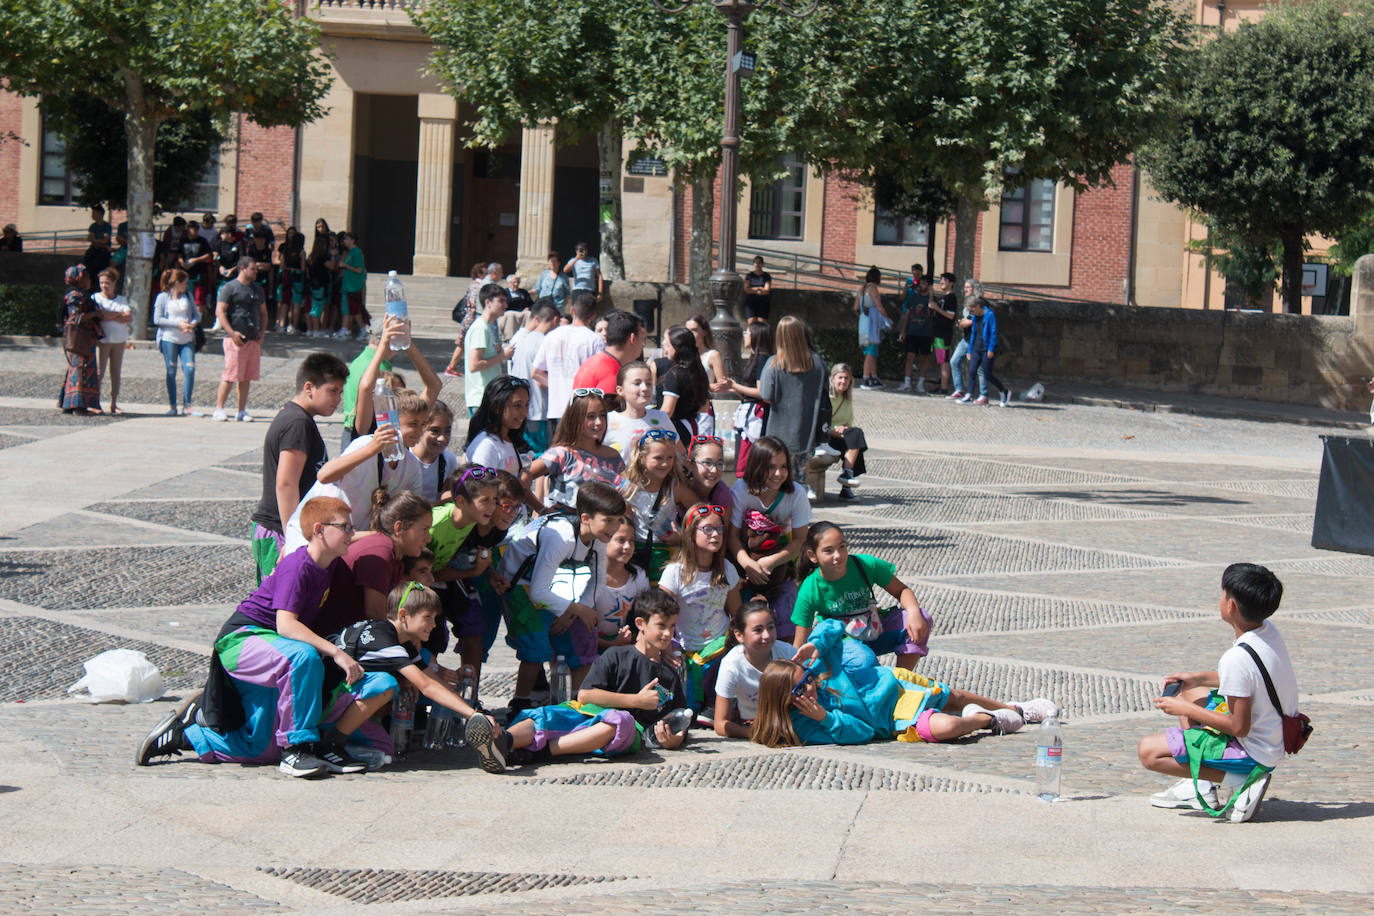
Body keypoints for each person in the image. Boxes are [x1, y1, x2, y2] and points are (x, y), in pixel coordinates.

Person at [136, 496, 371, 778]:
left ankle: (189, 733)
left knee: (261, 748)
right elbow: (286, 626)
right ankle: (297, 749)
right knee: (303, 657)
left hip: (274, 649)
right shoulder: (298, 566)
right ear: (319, 530)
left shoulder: (328, 564)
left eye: (352, 527)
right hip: (241, 639)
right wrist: (336, 652)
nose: (352, 534)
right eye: (345, 527)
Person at [1137, 563, 1298, 823]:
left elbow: (1239, 727)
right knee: (1191, 691)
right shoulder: (1267, 631)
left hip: (1255, 753)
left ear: (1231, 605)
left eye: (1222, 594)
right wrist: (1196, 678)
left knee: (1149, 751)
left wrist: (1186, 710)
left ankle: (1244, 780)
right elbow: (1249, 680)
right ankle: (1199, 786)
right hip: (1272, 736)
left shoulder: (1235, 658)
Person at [465, 587, 688, 771]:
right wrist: (636, 701)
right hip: (587, 712)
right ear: (640, 623)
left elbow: (680, 719)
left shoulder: (669, 675)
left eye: (672, 627)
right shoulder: (616, 655)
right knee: (549, 714)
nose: (668, 633)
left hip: (626, 732)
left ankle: (537, 752)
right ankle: (503, 741)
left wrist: (674, 739)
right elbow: (586, 695)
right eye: (661, 626)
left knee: (621, 721)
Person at [751, 618, 1056, 748]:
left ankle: (1018, 707)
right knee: (946, 728)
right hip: (894, 719)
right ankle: (988, 720)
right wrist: (826, 718)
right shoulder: (805, 724)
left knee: (956, 696)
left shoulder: (817, 667)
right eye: (799, 688)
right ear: (784, 699)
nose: (808, 686)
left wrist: (817, 643)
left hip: (893, 685)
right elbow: (863, 733)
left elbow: (833, 625)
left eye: (805, 678)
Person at [325, 580, 499, 764]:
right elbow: (427, 686)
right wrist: (472, 715)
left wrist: (475, 712)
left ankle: (338, 741)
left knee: (384, 749)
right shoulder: (384, 639)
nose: (434, 625)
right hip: (326, 701)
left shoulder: (401, 641)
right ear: (403, 615)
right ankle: (331, 744)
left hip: (342, 699)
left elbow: (435, 680)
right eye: (428, 617)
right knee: (385, 684)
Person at [497, 479, 628, 714]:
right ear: (586, 518)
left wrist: (575, 611)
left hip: (557, 584)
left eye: (618, 521)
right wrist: (575, 609)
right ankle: (521, 702)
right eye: (608, 520)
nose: (614, 528)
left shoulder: (598, 539)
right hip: (520, 585)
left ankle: (577, 702)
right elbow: (538, 594)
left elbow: (596, 582)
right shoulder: (562, 537)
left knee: (583, 634)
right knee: (537, 644)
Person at [282, 387, 429, 549]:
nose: (419, 431)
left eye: (423, 424)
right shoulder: (366, 444)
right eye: (413, 424)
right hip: (311, 540)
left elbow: (412, 512)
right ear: (390, 421)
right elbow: (324, 476)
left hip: (348, 542)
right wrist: (372, 449)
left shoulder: (412, 466)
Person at [250, 352, 350, 581]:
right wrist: (292, 536)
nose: (338, 399)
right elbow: (286, 483)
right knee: (279, 603)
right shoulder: (297, 423)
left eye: (340, 392)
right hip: (278, 529)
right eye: (332, 391)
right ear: (309, 387)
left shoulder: (299, 418)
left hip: (283, 527)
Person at [791, 521, 931, 669]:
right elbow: (800, 641)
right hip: (842, 642)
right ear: (813, 556)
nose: (838, 555)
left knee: (923, 619)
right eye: (828, 551)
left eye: (842, 547)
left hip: (873, 628)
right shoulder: (809, 589)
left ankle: (902, 681)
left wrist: (913, 611)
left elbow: (901, 590)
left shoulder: (864, 564)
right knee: (864, 660)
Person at [313, 489, 434, 637]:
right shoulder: (381, 554)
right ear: (399, 528)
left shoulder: (392, 552)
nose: (428, 539)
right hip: (332, 639)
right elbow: (375, 615)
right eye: (424, 530)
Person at [660, 503, 741, 712]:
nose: (715, 534)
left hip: (718, 648)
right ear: (689, 533)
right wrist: (667, 647)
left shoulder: (727, 570)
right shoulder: (674, 572)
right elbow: (660, 615)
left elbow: (737, 614)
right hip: (684, 650)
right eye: (708, 529)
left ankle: (717, 706)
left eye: (720, 529)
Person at [727, 435, 810, 639]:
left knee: (786, 625)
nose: (778, 473)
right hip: (744, 569)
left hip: (781, 568)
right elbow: (732, 536)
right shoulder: (742, 490)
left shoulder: (796, 494)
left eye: (783, 467)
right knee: (745, 625)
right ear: (757, 466)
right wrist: (747, 564)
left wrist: (772, 561)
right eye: (771, 467)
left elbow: (800, 540)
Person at [342, 315, 441, 449]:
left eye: (402, 394)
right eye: (393, 396)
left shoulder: (407, 421)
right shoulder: (368, 433)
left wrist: (408, 344)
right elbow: (365, 388)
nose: (419, 430)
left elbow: (434, 386)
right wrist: (384, 344)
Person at [524, 388, 624, 510]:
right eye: (591, 416)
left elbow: (629, 491)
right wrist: (540, 508)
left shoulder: (613, 456)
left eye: (602, 415)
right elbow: (522, 478)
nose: (598, 422)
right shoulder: (562, 454)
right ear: (575, 419)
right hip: (567, 525)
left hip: (605, 526)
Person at [758, 315, 827, 487]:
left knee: (776, 483)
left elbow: (765, 394)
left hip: (778, 433)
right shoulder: (817, 362)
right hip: (807, 433)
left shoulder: (773, 364)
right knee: (799, 482)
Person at [714, 598, 798, 738]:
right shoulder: (731, 665)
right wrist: (755, 734)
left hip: (792, 720)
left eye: (771, 627)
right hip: (754, 724)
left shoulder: (788, 653)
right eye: (758, 630)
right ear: (739, 635)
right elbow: (721, 723)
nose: (766, 635)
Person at [532, 289, 605, 442]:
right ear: (593, 316)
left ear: (572, 310)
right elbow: (600, 375)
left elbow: (536, 372)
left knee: (556, 459)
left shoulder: (552, 335)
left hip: (556, 409)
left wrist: (556, 385)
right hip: (582, 410)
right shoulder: (594, 339)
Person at [619, 428, 686, 582]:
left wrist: (682, 537)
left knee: (662, 600)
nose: (665, 463)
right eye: (658, 458)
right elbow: (622, 521)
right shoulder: (629, 485)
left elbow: (701, 514)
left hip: (666, 552)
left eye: (670, 457)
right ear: (641, 457)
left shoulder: (675, 487)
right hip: (634, 551)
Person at [212, 258, 268, 422]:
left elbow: (263, 312)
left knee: (246, 376)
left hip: (252, 338)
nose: (256, 272)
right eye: (253, 269)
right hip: (234, 338)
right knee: (230, 375)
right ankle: (219, 408)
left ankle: (241, 410)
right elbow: (220, 311)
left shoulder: (257, 289)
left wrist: (262, 332)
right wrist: (231, 332)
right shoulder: (229, 288)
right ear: (242, 268)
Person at [720, 322, 774, 476]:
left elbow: (761, 392)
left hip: (755, 416)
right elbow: (748, 394)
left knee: (749, 456)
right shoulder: (754, 357)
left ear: (756, 335)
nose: (745, 335)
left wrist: (735, 386)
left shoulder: (763, 359)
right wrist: (730, 388)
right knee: (742, 455)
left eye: (748, 332)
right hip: (747, 412)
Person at [594, 517, 649, 651]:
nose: (628, 546)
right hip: (589, 647)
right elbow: (578, 634)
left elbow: (649, 613)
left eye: (631, 541)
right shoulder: (590, 577)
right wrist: (612, 645)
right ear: (603, 540)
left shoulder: (638, 575)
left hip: (622, 645)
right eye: (621, 540)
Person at [512, 299, 559, 454]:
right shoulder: (545, 342)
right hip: (537, 409)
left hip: (521, 407)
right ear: (555, 320)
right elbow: (541, 378)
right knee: (540, 456)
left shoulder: (524, 339)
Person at [152, 269, 200, 416]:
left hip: (187, 339)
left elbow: (196, 315)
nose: (186, 285)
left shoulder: (188, 296)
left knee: (190, 369)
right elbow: (157, 319)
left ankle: (187, 404)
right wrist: (177, 324)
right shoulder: (162, 297)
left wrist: (192, 324)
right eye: (184, 283)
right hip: (169, 338)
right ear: (177, 283)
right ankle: (173, 405)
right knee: (171, 370)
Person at [57, 264, 103, 415]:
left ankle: (69, 404)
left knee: (78, 368)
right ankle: (79, 406)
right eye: (86, 277)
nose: (89, 280)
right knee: (81, 368)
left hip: (84, 337)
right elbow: (75, 317)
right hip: (79, 338)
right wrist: (95, 315)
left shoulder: (80, 294)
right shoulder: (75, 296)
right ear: (79, 279)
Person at [605, 360, 675, 459]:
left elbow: (677, 452)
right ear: (620, 390)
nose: (644, 388)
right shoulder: (608, 421)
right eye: (637, 383)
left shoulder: (661, 418)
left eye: (649, 383)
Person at [465, 375, 532, 474]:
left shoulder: (509, 440)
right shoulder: (486, 446)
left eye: (526, 405)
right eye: (518, 405)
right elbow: (479, 487)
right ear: (497, 407)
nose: (525, 412)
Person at [465, 284, 515, 416]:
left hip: (488, 396)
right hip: (481, 397)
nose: (506, 305)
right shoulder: (481, 329)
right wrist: (502, 356)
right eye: (501, 301)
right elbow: (474, 365)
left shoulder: (487, 327)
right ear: (488, 302)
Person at [572, 309, 645, 398]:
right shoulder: (611, 374)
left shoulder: (595, 362)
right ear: (632, 338)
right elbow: (608, 410)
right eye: (643, 338)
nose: (643, 344)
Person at [656, 326, 711, 442]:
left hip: (676, 430)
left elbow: (667, 411)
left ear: (677, 348)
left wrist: (653, 426)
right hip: (692, 426)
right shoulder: (697, 370)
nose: (665, 350)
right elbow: (704, 407)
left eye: (668, 346)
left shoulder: (675, 374)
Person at [91, 267, 133, 415]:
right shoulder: (95, 298)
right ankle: (95, 402)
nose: (104, 285)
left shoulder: (121, 299)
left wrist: (109, 315)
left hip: (119, 341)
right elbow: (99, 315)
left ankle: (114, 403)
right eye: (102, 282)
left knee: (115, 373)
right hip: (102, 341)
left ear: (114, 283)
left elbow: (128, 317)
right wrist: (117, 314)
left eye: (107, 282)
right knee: (99, 373)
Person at [826, 364, 868, 500]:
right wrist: (834, 430)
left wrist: (843, 428)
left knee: (856, 435)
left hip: (840, 436)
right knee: (856, 439)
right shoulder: (826, 397)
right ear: (832, 379)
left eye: (846, 378)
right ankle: (847, 482)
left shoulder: (847, 399)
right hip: (824, 436)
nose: (843, 381)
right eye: (840, 378)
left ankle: (847, 476)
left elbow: (848, 422)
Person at [963, 297, 1011, 407]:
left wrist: (990, 349)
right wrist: (970, 350)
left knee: (987, 374)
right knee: (971, 371)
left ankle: (1003, 391)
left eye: (972, 310)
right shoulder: (975, 317)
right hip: (976, 347)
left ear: (978, 307)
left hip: (986, 349)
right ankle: (969, 394)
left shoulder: (989, 315)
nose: (971, 313)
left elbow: (994, 333)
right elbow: (973, 333)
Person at [412, 399, 459, 504]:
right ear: (420, 428)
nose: (442, 438)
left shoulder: (448, 459)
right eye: (435, 431)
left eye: (447, 431)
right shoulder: (406, 458)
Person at [685, 314, 725, 436]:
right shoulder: (684, 354)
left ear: (704, 332)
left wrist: (705, 385)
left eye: (694, 330)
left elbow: (722, 385)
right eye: (687, 331)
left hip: (702, 408)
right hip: (684, 406)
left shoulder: (712, 355)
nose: (690, 334)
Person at [896, 265, 933, 393]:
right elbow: (907, 314)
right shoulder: (913, 297)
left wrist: (932, 294)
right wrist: (903, 330)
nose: (920, 285)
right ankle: (907, 382)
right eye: (920, 283)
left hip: (925, 333)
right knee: (910, 356)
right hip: (912, 331)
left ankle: (920, 383)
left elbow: (932, 310)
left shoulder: (931, 299)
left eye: (924, 283)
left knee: (925, 358)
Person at [946, 279, 983, 402]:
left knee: (978, 369)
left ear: (974, 288)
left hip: (975, 339)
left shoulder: (979, 302)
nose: (965, 289)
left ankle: (982, 394)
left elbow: (974, 320)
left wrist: (963, 324)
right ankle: (960, 389)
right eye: (965, 287)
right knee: (954, 361)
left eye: (968, 287)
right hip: (966, 339)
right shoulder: (968, 302)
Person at [854, 266, 889, 390]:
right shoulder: (873, 289)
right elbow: (879, 306)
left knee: (871, 352)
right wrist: (887, 319)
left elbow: (856, 307)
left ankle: (874, 377)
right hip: (872, 325)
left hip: (863, 324)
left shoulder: (861, 289)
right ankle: (866, 378)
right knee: (870, 352)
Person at [179, 219, 215, 322]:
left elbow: (208, 255)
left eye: (196, 229)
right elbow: (179, 254)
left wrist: (196, 259)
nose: (194, 232)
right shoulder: (183, 241)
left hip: (199, 272)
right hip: (186, 272)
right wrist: (182, 263)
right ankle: (186, 318)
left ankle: (198, 321)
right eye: (192, 229)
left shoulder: (202, 241)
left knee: (199, 297)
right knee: (185, 296)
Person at [929, 272, 959, 395]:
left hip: (944, 335)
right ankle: (942, 386)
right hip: (938, 334)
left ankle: (944, 388)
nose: (941, 282)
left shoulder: (951, 298)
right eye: (941, 280)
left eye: (944, 280)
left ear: (951, 283)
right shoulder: (943, 298)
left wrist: (936, 308)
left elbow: (951, 315)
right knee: (941, 361)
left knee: (944, 361)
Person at [305, 219, 336, 338]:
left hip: (313, 284)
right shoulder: (322, 258)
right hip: (320, 285)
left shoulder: (312, 258)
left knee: (313, 308)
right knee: (317, 309)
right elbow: (332, 267)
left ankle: (313, 330)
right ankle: (317, 330)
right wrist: (333, 256)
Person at [275, 226, 307, 334]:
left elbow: (282, 266)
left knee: (285, 301)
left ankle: (281, 325)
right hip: (297, 276)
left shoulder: (286, 250)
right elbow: (303, 268)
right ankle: (293, 326)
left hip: (287, 275)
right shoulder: (301, 252)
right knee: (296, 302)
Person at [337, 230, 367, 340]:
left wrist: (345, 265)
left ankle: (363, 330)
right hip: (347, 286)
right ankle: (344, 329)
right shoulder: (349, 252)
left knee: (355, 310)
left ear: (352, 240)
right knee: (346, 310)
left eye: (347, 239)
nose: (344, 241)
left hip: (354, 287)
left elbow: (359, 270)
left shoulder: (356, 252)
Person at [84, 206, 112, 279]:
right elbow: (90, 239)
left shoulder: (107, 226)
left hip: (103, 251)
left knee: (100, 263)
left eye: (94, 213)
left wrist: (96, 241)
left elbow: (105, 241)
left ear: (100, 214)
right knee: (88, 260)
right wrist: (101, 243)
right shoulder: (93, 226)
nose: (92, 215)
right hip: (94, 249)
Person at [743, 256, 772, 327]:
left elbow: (767, 290)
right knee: (751, 322)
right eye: (756, 263)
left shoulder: (766, 276)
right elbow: (747, 289)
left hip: (763, 302)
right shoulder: (749, 276)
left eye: (759, 263)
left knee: (762, 322)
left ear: (762, 264)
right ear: (753, 264)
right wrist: (759, 288)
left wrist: (753, 289)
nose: (757, 264)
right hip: (750, 303)